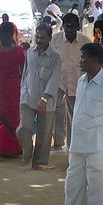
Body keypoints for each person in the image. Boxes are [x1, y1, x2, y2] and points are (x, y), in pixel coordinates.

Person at [41, 43, 103, 205]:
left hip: (99, 147)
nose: (80, 61)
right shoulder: (82, 80)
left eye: (83, 57)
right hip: (77, 145)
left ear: (94, 60)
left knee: (97, 192)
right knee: (72, 188)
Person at [16, 23, 62, 170]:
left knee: (44, 132)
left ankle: (39, 162)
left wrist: (44, 99)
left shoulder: (55, 57)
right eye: (38, 37)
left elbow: (54, 79)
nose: (40, 40)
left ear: (50, 38)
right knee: (23, 128)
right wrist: (22, 92)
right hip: (27, 97)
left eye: (43, 37)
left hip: (46, 100)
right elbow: (26, 74)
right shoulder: (30, 52)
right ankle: (27, 154)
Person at [51, 13, 92, 151]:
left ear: (77, 27)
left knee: (74, 116)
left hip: (77, 83)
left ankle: (72, 146)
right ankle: (57, 143)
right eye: (66, 27)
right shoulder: (55, 39)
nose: (69, 30)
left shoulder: (85, 41)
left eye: (72, 27)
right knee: (56, 112)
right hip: (58, 82)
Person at [0, 21, 26, 159]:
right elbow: (24, 72)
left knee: (6, 119)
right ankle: (4, 148)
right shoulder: (17, 50)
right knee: (2, 119)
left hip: (8, 91)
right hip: (4, 91)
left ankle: (4, 147)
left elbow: (24, 72)